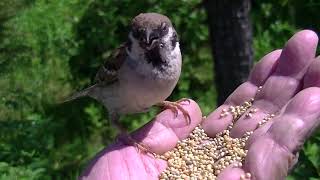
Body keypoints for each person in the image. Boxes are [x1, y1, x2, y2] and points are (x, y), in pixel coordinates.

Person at [79, 30, 320, 180]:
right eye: (142, 43)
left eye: (159, 41)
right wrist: (127, 140)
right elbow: (102, 79)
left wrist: (162, 101)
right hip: (111, 97)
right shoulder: (122, 61)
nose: (151, 47)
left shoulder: (173, 58)